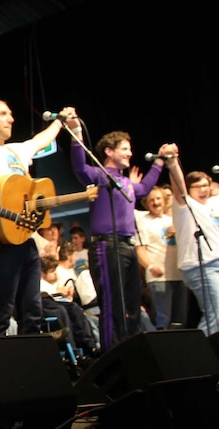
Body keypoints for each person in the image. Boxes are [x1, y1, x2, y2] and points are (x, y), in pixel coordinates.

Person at [0, 98, 77, 337]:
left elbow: (40, 140)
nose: (11, 119)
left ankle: (31, 364)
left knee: (33, 310)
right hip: (0, 245)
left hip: (26, 243)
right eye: (3, 114)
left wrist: (60, 122)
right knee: (2, 314)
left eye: (11, 114)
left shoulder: (15, 150)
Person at [67, 125, 172, 353]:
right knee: (112, 305)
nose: (129, 153)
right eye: (124, 149)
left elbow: (143, 188)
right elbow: (79, 167)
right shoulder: (100, 176)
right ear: (109, 151)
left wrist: (160, 162)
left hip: (127, 246)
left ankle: (134, 350)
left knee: (133, 304)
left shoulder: (124, 183)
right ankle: (112, 355)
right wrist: (77, 135)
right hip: (107, 245)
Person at [166, 155, 219, 336]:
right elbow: (178, 188)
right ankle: (195, 357)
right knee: (215, 317)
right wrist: (173, 162)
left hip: (214, 263)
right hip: (201, 266)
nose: (203, 190)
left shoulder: (208, 207)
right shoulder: (185, 206)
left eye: (206, 186)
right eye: (198, 187)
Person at [135, 185, 184, 329]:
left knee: (180, 321)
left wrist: (179, 233)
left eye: (158, 199)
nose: (156, 202)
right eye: (151, 200)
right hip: (159, 278)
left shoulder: (172, 221)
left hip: (178, 275)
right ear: (146, 203)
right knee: (164, 320)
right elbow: (140, 250)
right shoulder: (143, 221)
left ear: (164, 200)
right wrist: (150, 266)